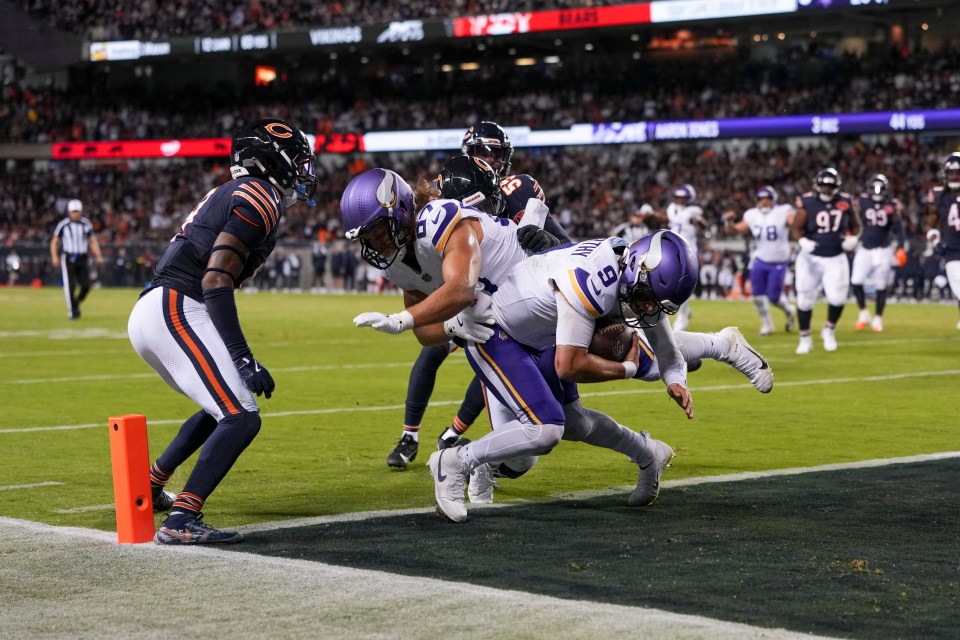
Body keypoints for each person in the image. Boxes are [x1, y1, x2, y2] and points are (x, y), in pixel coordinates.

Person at [342, 166, 772, 522]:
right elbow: (440, 323)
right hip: (501, 325)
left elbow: (462, 287)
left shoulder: (443, 218)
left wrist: (674, 374)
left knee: (585, 403)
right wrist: (446, 326)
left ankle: (656, 439)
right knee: (554, 428)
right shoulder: (408, 252)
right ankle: (464, 462)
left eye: (379, 232)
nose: (376, 244)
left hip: (529, 310)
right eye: (370, 236)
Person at [127, 118, 316, 545]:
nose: (303, 170)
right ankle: (182, 518)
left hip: (160, 307)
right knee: (241, 417)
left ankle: (152, 484)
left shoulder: (238, 192)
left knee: (222, 406)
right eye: (298, 160)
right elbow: (216, 281)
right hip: (178, 305)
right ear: (271, 158)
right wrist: (244, 357)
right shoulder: (259, 195)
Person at [383, 123, 572, 470]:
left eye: (498, 153)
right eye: (487, 152)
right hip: (454, 275)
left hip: (506, 287)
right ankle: (410, 435)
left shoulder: (518, 189)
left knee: (494, 348)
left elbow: (566, 246)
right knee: (433, 346)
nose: (493, 160)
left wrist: (550, 242)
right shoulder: (441, 192)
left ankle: (454, 434)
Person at [790, 167, 862, 354]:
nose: (826, 189)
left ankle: (829, 330)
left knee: (838, 299)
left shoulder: (845, 201)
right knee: (804, 299)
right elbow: (796, 228)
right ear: (817, 185)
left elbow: (856, 226)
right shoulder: (807, 202)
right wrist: (802, 240)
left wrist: (854, 238)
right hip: (810, 258)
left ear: (836, 186)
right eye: (823, 185)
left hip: (835, 257)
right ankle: (804, 338)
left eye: (830, 185)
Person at [723, 185, 797, 336]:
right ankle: (767, 324)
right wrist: (728, 221)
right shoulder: (752, 214)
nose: (764, 202)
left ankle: (789, 310)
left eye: (767, 199)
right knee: (756, 296)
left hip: (778, 260)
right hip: (760, 259)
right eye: (761, 199)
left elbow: (794, 223)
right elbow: (734, 230)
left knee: (774, 298)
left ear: (773, 200)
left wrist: (795, 217)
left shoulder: (783, 211)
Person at [851, 174, 907, 333]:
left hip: (883, 249)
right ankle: (863, 312)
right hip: (865, 248)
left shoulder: (891, 205)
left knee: (881, 286)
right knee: (856, 281)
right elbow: (851, 217)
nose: (876, 192)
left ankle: (878, 318)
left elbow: (898, 229)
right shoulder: (862, 201)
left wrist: (901, 246)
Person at [659, 185, 705, 330]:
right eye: (679, 197)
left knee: (682, 283)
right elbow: (668, 220)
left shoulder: (693, 210)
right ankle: (685, 311)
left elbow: (701, 222)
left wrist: (698, 222)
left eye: (684, 197)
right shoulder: (671, 208)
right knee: (669, 282)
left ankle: (683, 316)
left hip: (687, 249)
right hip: (672, 248)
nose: (681, 200)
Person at [50, 199, 103, 319]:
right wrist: (54, 256)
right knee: (70, 286)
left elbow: (92, 241)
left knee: (86, 285)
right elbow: (55, 242)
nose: (75, 214)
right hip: (68, 258)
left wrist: (98, 255)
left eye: (77, 211)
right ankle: (73, 313)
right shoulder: (63, 225)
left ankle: (76, 303)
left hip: (82, 257)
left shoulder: (86, 224)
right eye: (73, 211)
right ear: (69, 212)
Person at [926, 153, 960, 331]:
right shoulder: (939, 195)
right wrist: (934, 238)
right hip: (953, 252)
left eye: (957, 172)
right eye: (951, 172)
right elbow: (932, 222)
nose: (954, 176)